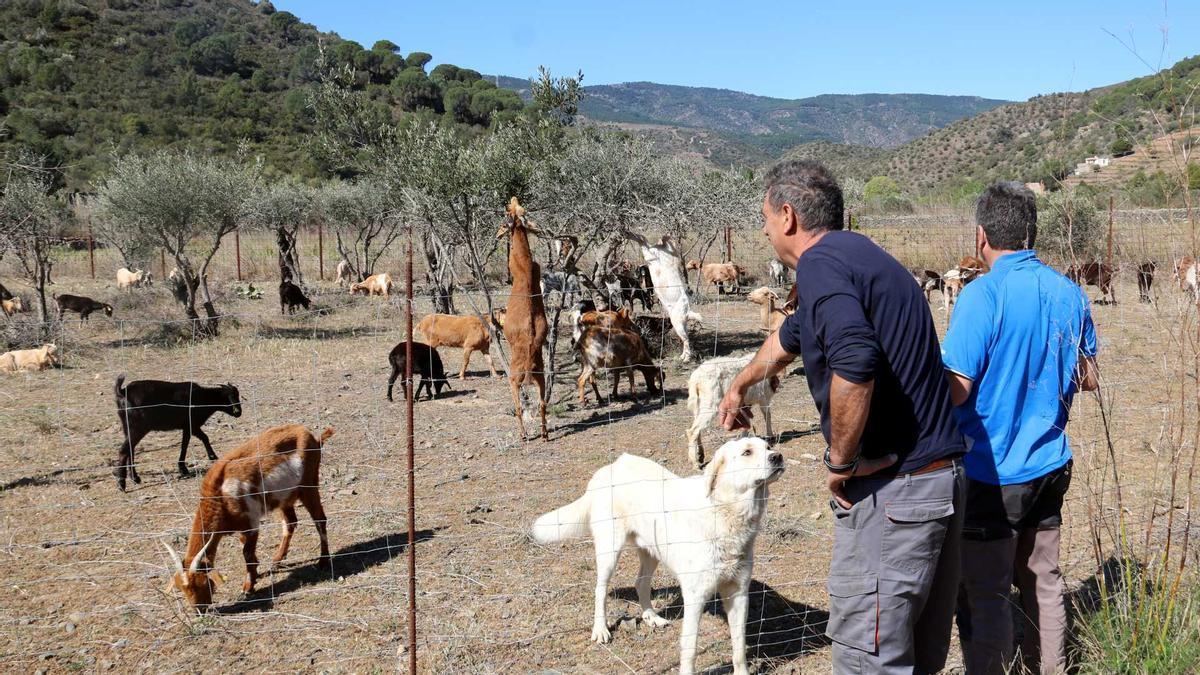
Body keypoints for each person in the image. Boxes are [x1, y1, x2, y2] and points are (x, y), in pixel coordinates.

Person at [718, 159, 966, 673]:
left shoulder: (819, 266)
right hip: (939, 482)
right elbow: (790, 337)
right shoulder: (861, 256)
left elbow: (855, 360)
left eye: (765, 219)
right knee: (912, 660)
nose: (764, 231)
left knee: (866, 660)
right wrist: (740, 385)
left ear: (787, 215)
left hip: (896, 493)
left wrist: (841, 460)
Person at [942, 182, 1099, 674]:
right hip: (1051, 464)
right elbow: (1088, 376)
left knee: (983, 593)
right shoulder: (1068, 292)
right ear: (1032, 233)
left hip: (994, 474)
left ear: (981, 235)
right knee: (1043, 581)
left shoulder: (981, 296)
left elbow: (957, 390)